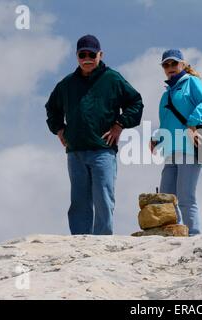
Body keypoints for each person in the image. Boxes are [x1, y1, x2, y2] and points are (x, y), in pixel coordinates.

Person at [45, 35, 144, 235]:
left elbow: (136, 103)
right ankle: (80, 241)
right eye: (83, 54)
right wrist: (59, 129)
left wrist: (119, 125)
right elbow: (52, 108)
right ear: (77, 56)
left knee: (104, 199)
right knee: (79, 201)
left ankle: (103, 242)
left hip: (103, 150)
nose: (87, 58)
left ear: (100, 54)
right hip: (76, 152)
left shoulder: (112, 79)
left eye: (92, 54)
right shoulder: (67, 83)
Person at [150, 49, 202, 236]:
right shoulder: (167, 94)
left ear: (182, 64)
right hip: (171, 150)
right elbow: (168, 123)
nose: (170, 67)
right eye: (166, 64)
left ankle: (194, 236)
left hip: (189, 148)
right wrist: (156, 137)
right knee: (166, 198)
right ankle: (175, 233)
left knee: (186, 197)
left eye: (174, 63)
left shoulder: (191, 82)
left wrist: (192, 123)